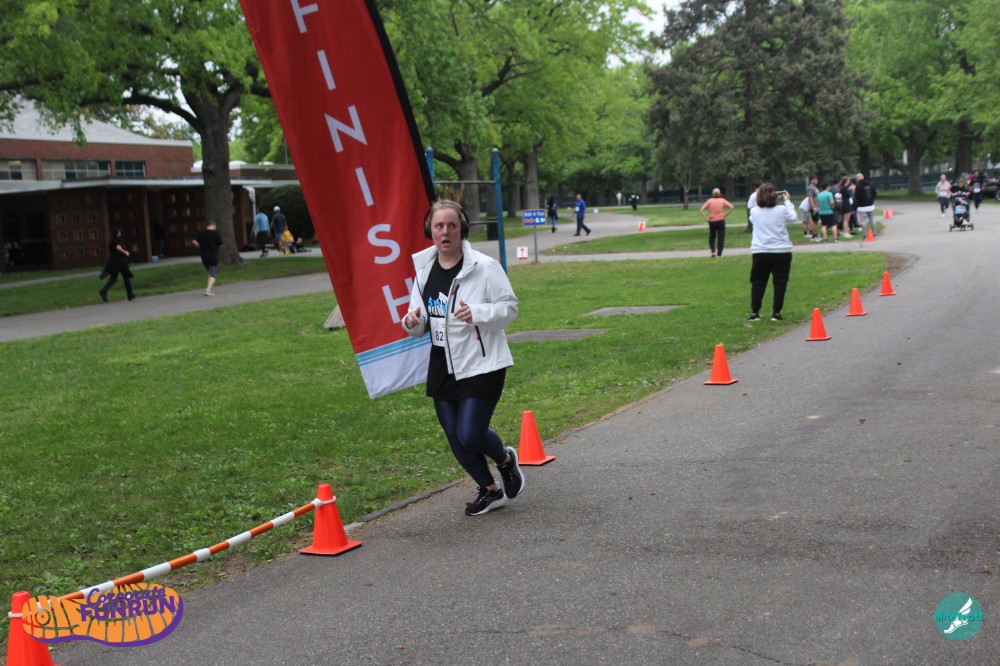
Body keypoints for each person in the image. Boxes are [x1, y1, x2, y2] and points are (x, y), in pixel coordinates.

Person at [402, 200, 524, 517]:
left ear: (462, 229)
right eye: (439, 226)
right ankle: (490, 490)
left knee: (470, 433)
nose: (445, 232)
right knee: (455, 438)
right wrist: (411, 322)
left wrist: (479, 313)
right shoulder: (423, 272)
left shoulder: (484, 267)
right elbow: (418, 319)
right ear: (430, 230)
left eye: (452, 226)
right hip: (442, 363)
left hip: (481, 362)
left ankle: (506, 460)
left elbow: (509, 308)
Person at [747, 183, 796, 322]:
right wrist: (788, 202)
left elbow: (754, 220)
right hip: (781, 250)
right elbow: (793, 218)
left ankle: (755, 311)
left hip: (760, 250)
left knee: (758, 282)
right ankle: (776, 312)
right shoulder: (782, 209)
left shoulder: (754, 212)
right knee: (780, 282)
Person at [99, 227, 135, 302]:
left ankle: (104, 291)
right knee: (126, 277)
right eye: (119, 231)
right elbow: (118, 247)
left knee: (113, 278)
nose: (120, 232)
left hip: (113, 262)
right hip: (121, 261)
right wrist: (125, 252)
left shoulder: (111, 241)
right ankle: (130, 294)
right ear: (117, 233)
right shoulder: (119, 240)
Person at [699, 188, 734, 257]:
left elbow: (701, 209)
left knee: (712, 237)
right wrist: (726, 214)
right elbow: (731, 207)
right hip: (721, 220)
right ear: (719, 194)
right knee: (721, 237)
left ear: (712, 194)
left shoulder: (709, 201)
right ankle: (719, 254)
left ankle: (713, 252)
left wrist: (706, 218)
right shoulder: (722, 200)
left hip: (712, 221)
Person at [192, 221, 224, 296]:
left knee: (210, 271)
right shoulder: (216, 233)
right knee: (213, 274)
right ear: (213, 226)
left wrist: (199, 246)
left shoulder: (201, 233)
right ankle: (208, 290)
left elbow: (194, 241)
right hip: (213, 255)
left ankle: (209, 288)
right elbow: (220, 244)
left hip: (204, 256)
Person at [853, 172, 877, 238]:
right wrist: (872, 200)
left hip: (862, 206)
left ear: (858, 179)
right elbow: (874, 193)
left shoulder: (858, 186)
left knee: (863, 220)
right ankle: (874, 233)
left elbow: (856, 196)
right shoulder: (870, 184)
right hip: (870, 205)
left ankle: (865, 235)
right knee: (872, 219)